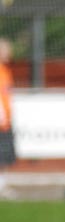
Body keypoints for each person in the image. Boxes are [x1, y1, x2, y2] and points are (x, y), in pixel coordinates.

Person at [0, 38, 16, 199]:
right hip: (1, 122)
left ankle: (2, 185)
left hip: (6, 120)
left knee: (5, 156)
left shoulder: (5, 70)